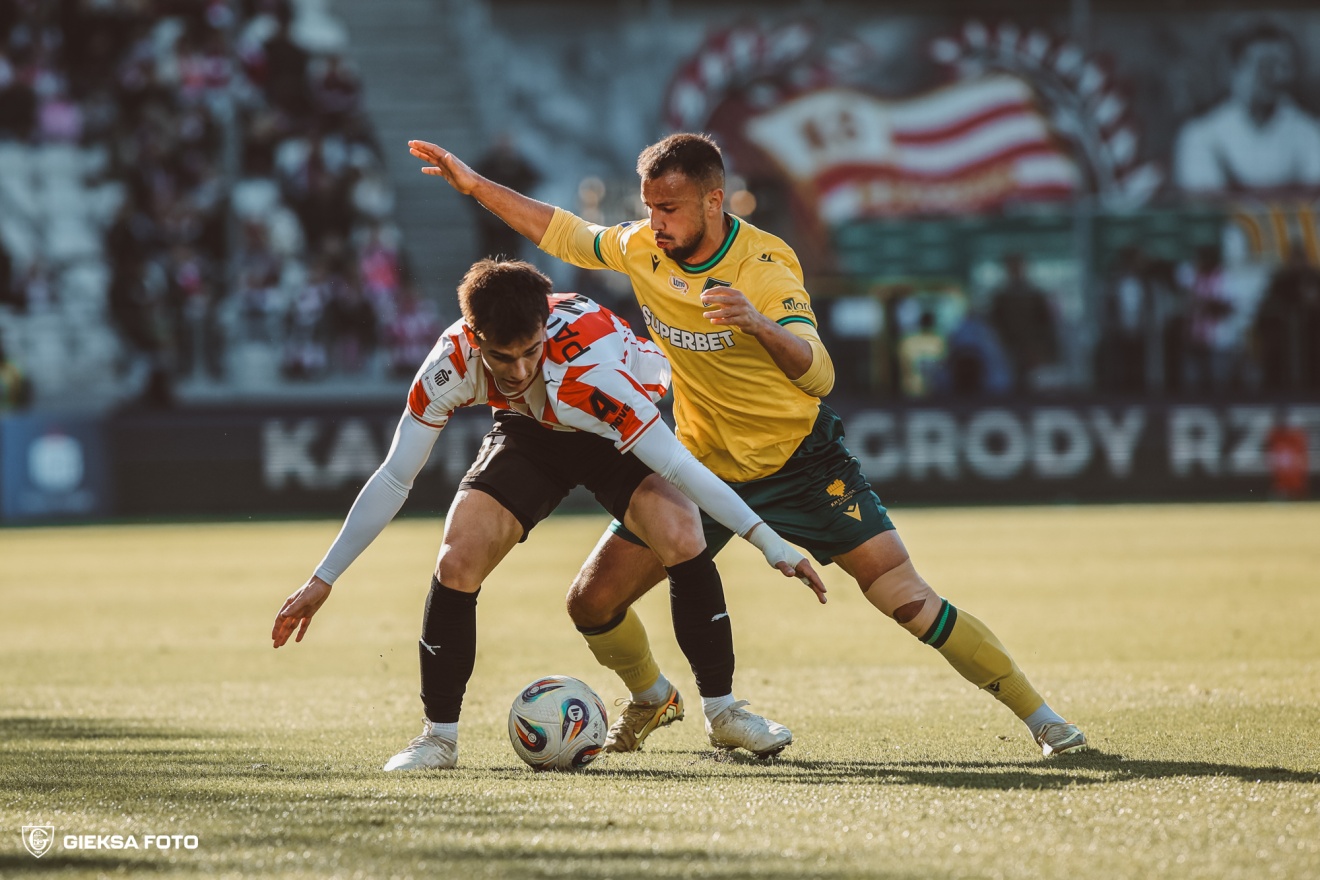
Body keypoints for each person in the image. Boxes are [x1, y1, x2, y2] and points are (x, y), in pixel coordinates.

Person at [407, 133, 1088, 757]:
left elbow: (820, 374)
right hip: (701, 469)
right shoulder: (644, 247)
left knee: (906, 599)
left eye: (669, 208)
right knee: (591, 602)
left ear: (714, 200)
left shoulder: (765, 264)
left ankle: (1044, 720)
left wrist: (759, 324)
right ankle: (654, 699)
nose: (655, 222)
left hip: (802, 464)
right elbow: (565, 233)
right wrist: (475, 185)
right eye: (649, 207)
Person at [271, 258, 827, 770]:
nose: (517, 370)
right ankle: (438, 739)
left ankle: (723, 712)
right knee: (456, 559)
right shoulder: (451, 359)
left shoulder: (593, 372)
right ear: (474, 339)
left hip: (609, 428)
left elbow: (679, 466)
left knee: (681, 533)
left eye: (530, 351)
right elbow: (396, 476)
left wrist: (769, 542)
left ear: (545, 329)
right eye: (501, 356)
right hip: (531, 430)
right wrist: (324, 578)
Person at [1174, 22, 1320, 193]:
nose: (1278, 76)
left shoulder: (1310, 132)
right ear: (1235, 70)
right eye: (1265, 65)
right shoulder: (1200, 135)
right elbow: (1204, 202)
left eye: (1284, 66)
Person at [987, 254, 1058, 395]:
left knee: (1035, 383)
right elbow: (995, 324)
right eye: (1012, 267)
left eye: (1018, 267)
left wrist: (1043, 348)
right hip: (1009, 348)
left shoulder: (1035, 295)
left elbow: (1046, 324)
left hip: (1033, 348)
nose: (1015, 271)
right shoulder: (1000, 297)